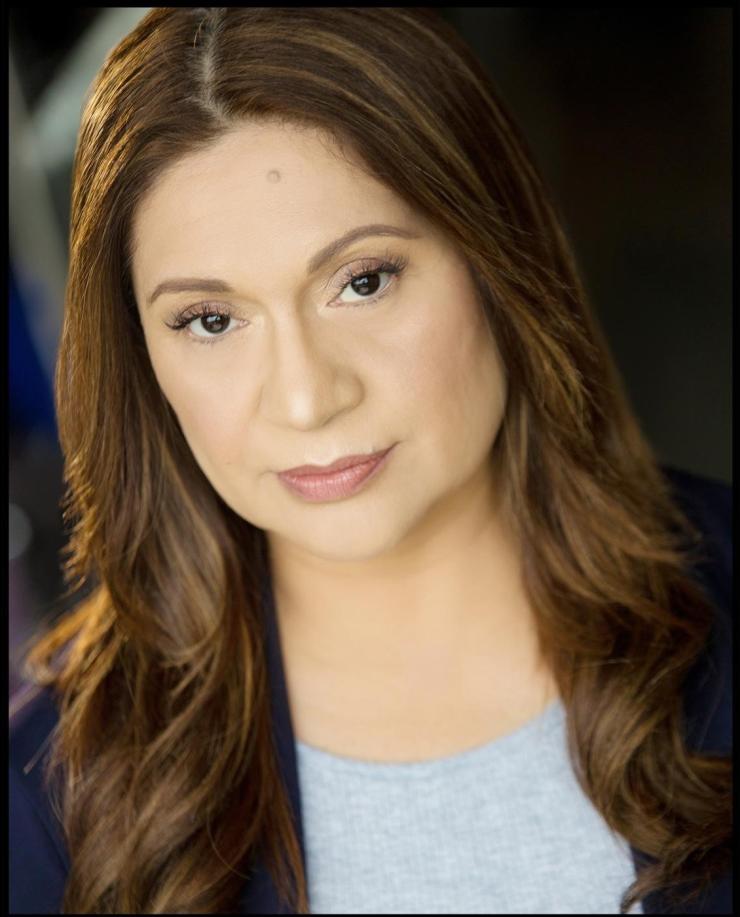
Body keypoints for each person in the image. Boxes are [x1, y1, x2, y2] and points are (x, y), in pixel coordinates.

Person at [9, 8, 731, 915]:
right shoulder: (52, 800)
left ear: (495, 256)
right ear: (142, 358)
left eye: (363, 280)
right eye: (211, 320)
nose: (308, 397)